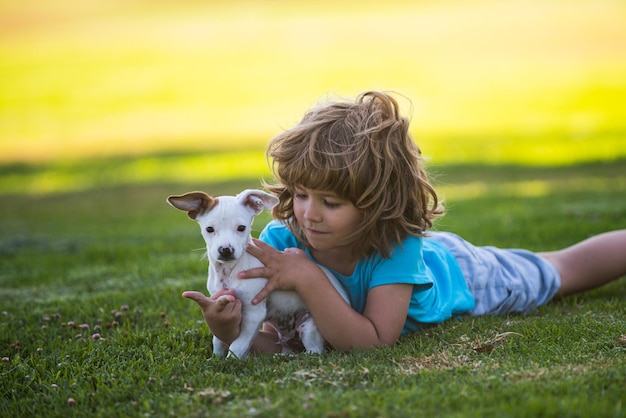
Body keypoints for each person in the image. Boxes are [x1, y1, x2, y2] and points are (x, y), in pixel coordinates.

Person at [183, 91, 626, 354]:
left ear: (375, 204)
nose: (309, 213)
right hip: (428, 255)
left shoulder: (393, 248)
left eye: (331, 203)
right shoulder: (280, 240)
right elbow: (279, 343)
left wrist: (308, 277)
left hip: (461, 273)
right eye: (300, 195)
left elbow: (373, 341)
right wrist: (230, 328)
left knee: (559, 270)